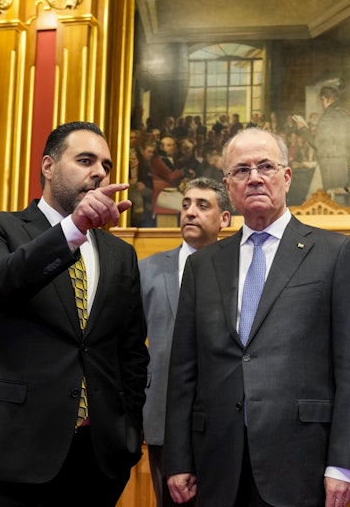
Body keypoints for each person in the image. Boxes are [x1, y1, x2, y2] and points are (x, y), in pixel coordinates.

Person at [164, 128, 350, 507]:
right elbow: (184, 371)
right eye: (242, 170)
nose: (256, 177)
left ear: (287, 176)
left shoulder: (336, 253)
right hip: (215, 462)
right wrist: (178, 458)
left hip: (301, 461)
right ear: (229, 186)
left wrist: (344, 464)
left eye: (266, 166)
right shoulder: (203, 265)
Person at [0, 121, 149, 505]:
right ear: (48, 166)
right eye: (85, 160)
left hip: (98, 459)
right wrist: (74, 228)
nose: (99, 172)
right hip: (11, 453)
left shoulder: (121, 255)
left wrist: (128, 433)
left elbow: (132, 352)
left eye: (105, 165)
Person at [139, 178, 231, 507]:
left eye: (202, 206)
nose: (190, 212)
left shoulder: (240, 271)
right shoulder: (147, 270)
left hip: (225, 421)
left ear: (225, 219)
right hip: (163, 415)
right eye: (186, 204)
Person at [313, 85, 350, 192]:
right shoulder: (345, 114)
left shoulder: (327, 116)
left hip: (328, 161)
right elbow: (349, 140)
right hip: (343, 160)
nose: (321, 104)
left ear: (329, 99)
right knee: (340, 193)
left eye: (322, 100)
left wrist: (303, 130)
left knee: (330, 196)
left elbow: (317, 143)